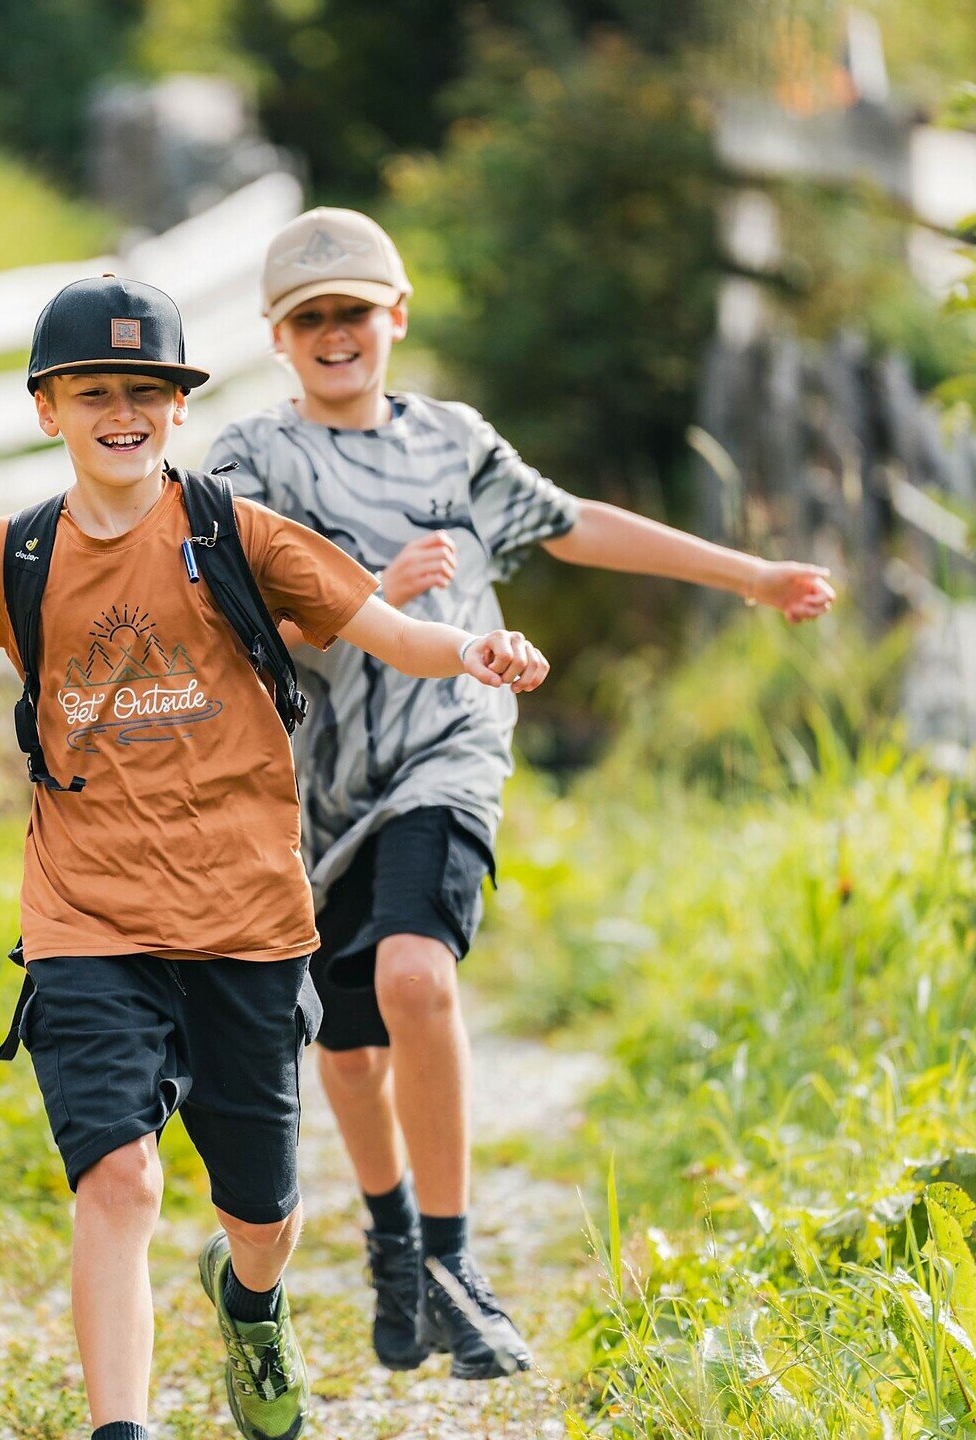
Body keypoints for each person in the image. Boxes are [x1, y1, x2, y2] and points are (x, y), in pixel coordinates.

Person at [0, 274, 553, 1440]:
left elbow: (388, 630)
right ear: (49, 410)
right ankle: (119, 1428)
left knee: (262, 1216)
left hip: (248, 922)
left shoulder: (239, 535)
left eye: (145, 392)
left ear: (180, 408)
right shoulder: (8, 558)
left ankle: (251, 1301)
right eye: (93, 393)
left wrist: (474, 650)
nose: (120, 413)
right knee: (119, 1180)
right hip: (86, 921)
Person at [205, 208, 836, 1381]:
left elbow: (576, 524)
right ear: (278, 336)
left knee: (416, 975)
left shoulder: (454, 443)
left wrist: (749, 574)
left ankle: (454, 1262)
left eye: (355, 311)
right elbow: (225, 629)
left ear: (396, 316)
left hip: (448, 745)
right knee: (348, 1050)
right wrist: (367, 595)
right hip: (311, 788)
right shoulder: (249, 464)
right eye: (311, 317)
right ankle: (391, 1238)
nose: (336, 333)